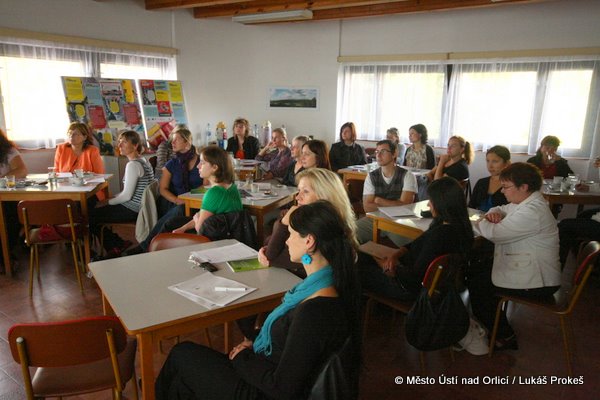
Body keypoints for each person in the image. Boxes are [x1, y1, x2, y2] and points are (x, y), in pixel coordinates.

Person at [155, 200, 361, 400]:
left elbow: (283, 388)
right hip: (263, 369)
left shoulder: (315, 310)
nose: (287, 241)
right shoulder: (325, 285)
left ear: (309, 241)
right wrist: (252, 344)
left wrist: (242, 358)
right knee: (181, 381)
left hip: (262, 390)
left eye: (291, 234)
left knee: (181, 355)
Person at [472, 162, 561, 350]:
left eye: (506, 187)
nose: (502, 191)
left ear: (524, 187)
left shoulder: (533, 211)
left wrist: (481, 221)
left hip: (540, 282)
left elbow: (495, 234)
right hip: (531, 270)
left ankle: (505, 336)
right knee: (478, 269)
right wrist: (493, 214)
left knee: (478, 284)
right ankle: (493, 323)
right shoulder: (525, 202)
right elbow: (501, 208)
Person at [358, 177, 474, 300]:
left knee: (357, 266)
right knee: (364, 257)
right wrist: (396, 254)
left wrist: (386, 266)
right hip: (431, 287)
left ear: (441, 204)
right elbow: (415, 244)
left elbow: (413, 279)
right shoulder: (461, 228)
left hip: (409, 290)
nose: (428, 205)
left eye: (431, 201)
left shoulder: (439, 236)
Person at [258, 168, 359, 278]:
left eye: (305, 192)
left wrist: (284, 223)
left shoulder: (322, 229)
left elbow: (270, 256)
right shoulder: (316, 220)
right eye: (299, 191)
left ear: (324, 196)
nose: (298, 197)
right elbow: (270, 243)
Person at [123, 127, 202, 255]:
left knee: (181, 209)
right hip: (173, 201)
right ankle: (148, 245)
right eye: (172, 140)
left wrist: (189, 198)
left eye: (176, 140)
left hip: (196, 202)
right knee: (180, 209)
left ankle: (146, 246)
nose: (172, 143)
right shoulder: (172, 163)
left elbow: (206, 186)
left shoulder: (201, 162)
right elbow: (162, 189)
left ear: (187, 142)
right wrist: (176, 200)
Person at [90, 131, 154, 258]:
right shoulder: (143, 160)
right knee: (93, 206)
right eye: (119, 141)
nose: (119, 145)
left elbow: (126, 196)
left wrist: (106, 202)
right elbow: (127, 192)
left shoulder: (133, 165)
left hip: (132, 209)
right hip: (139, 207)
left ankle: (110, 248)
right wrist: (112, 198)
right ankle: (117, 243)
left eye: (124, 142)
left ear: (135, 145)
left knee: (90, 216)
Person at [356, 140, 418, 246]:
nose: (378, 155)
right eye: (377, 152)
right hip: (375, 219)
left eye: (383, 151)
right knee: (350, 232)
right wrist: (396, 203)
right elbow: (367, 207)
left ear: (394, 154)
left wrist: (379, 201)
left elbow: (405, 206)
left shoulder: (407, 176)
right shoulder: (371, 176)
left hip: (399, 221)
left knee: (409, 245)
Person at [170, 145, 243, 234]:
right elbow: (202, 216)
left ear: (214, 167)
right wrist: (183, 228)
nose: (198, 166)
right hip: (227, 233)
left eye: (202, 162)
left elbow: (200, 230)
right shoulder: (232, 186)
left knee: (170, 224)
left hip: (214, 238)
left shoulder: (213, 193)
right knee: (173, 222)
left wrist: (196, 218)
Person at [0, 128, 28, 258]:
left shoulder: (8, 151)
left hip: (7, 195)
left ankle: (7, 254)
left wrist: (2, 179)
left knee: (8, 215)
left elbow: (22, 170)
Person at [469, 145, 511, 212]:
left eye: (495, 161)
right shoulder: (481, 182)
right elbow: (471, 206)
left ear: (506, 163)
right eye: (488, 161)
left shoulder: (511, 186)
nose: (490, 166)